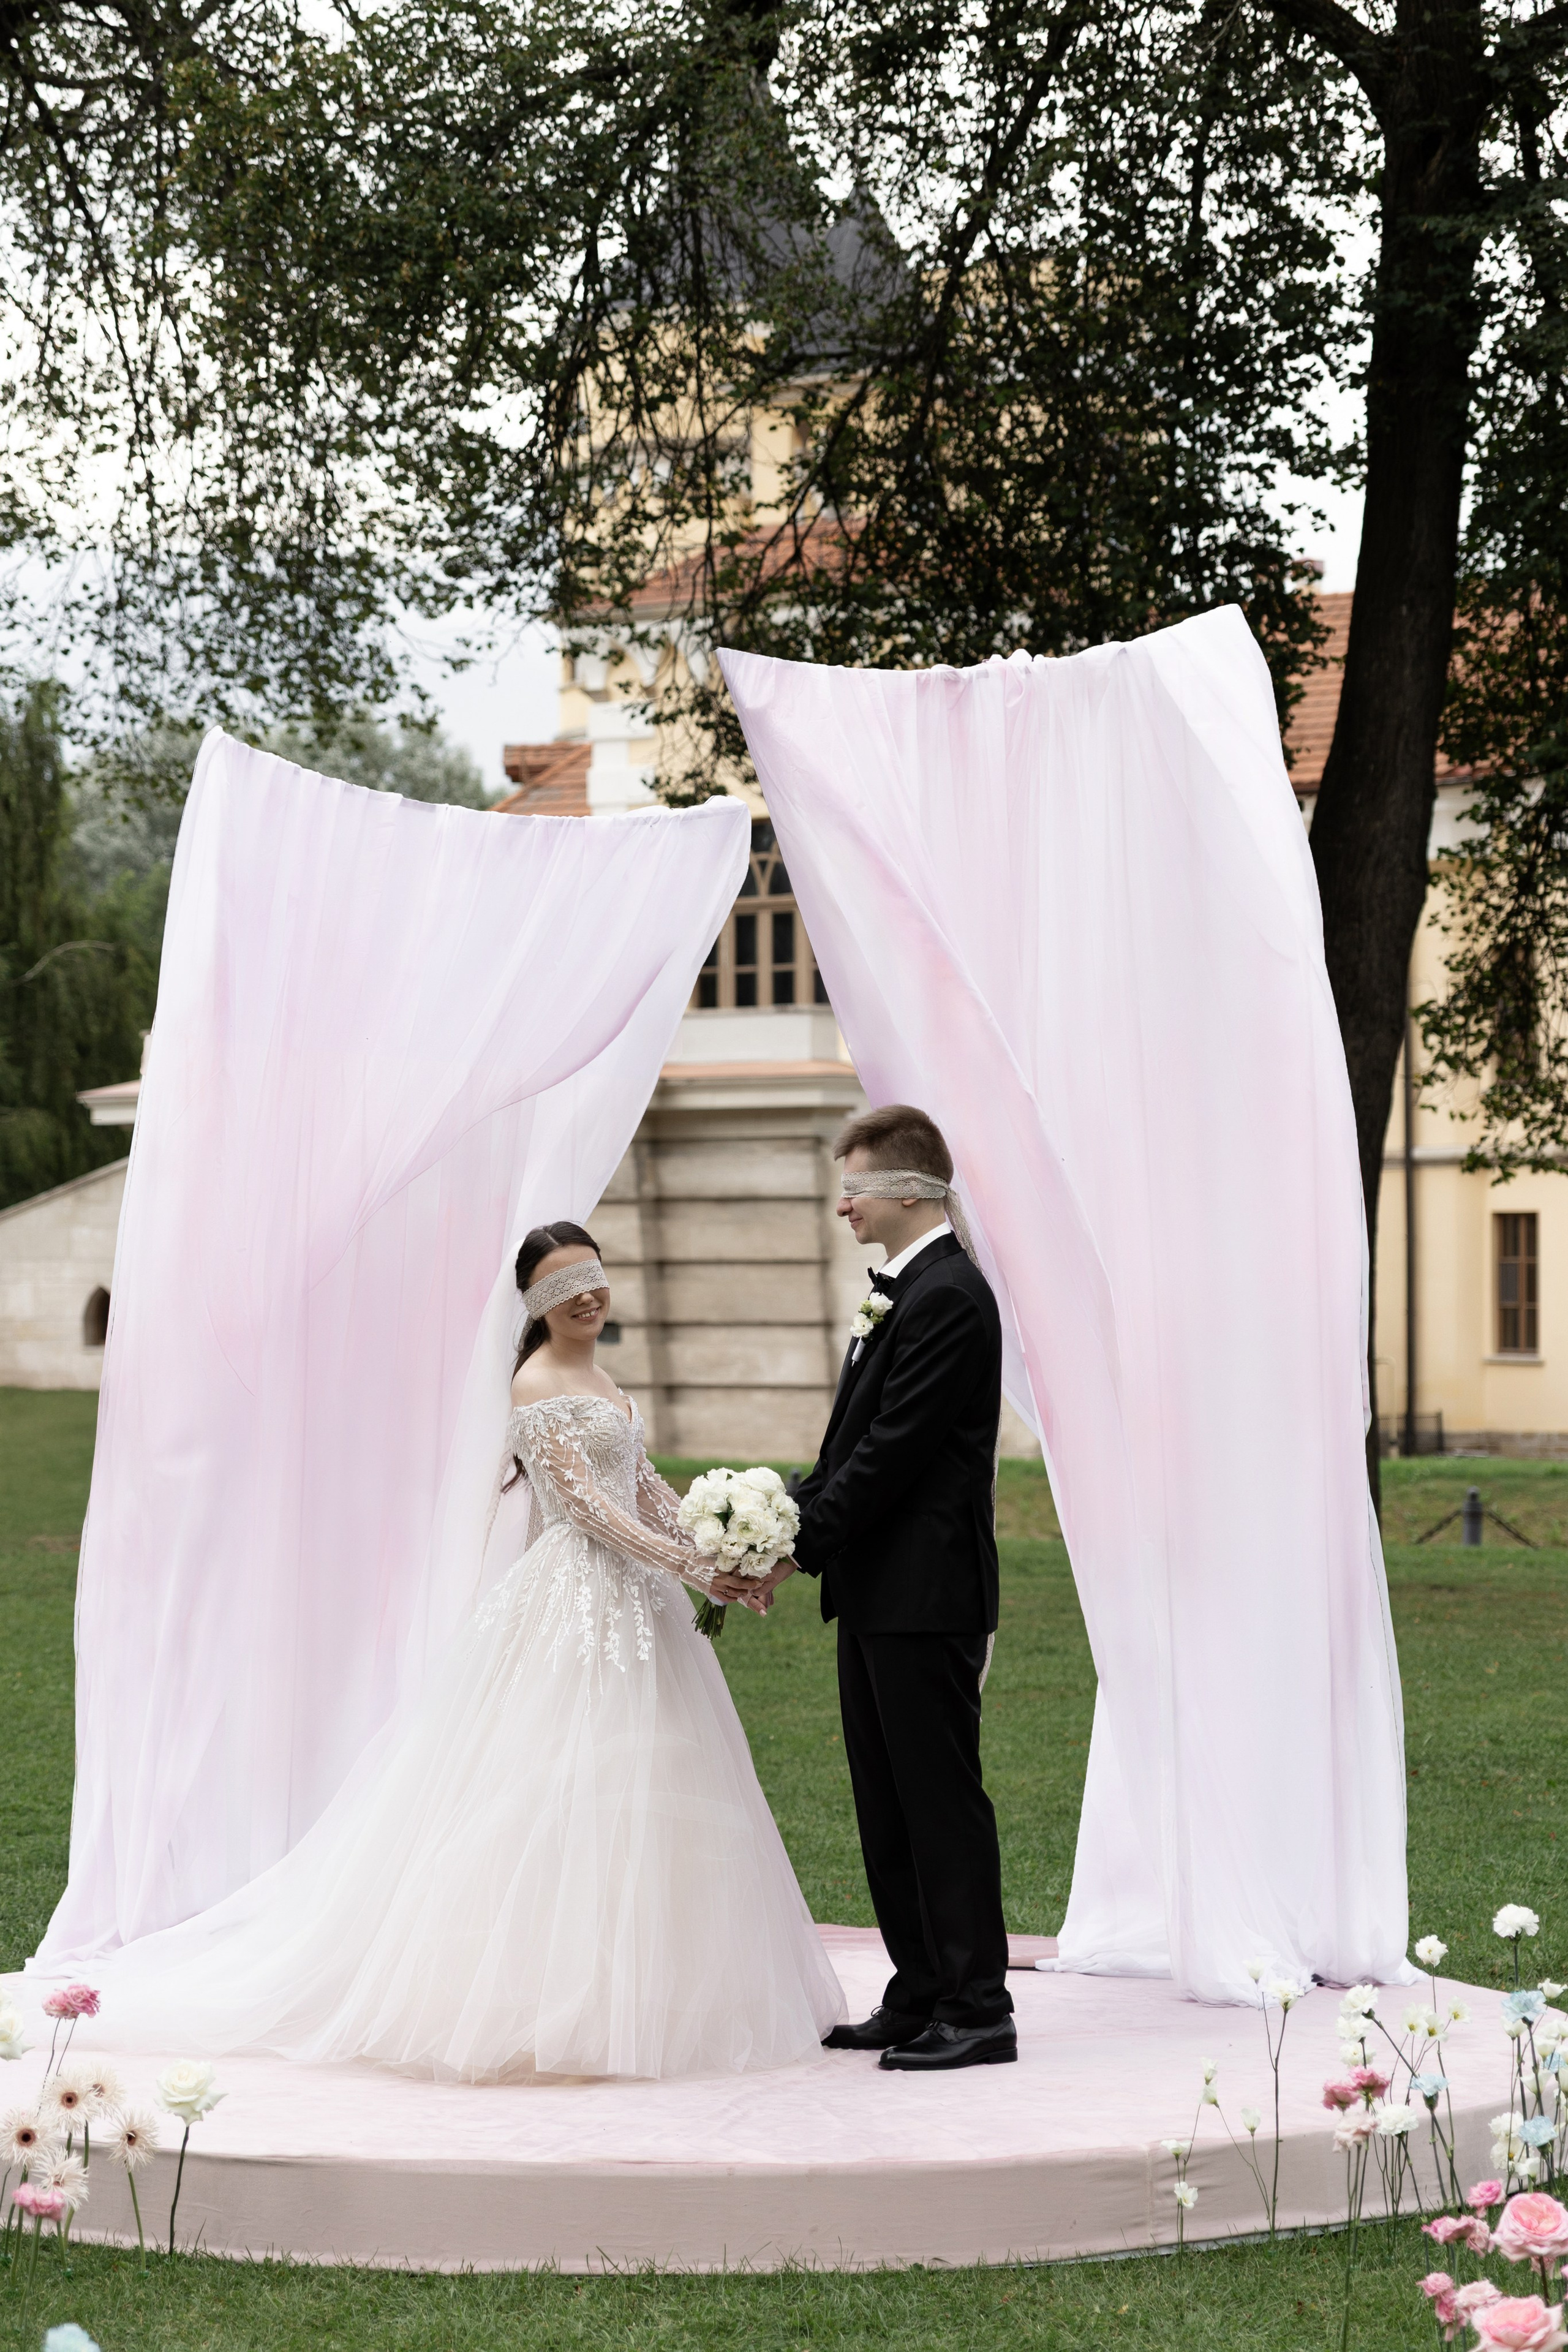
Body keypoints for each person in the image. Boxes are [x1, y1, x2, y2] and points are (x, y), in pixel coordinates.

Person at [50, 1224, 845, 2081]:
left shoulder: (605, 1377)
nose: (585, 1294)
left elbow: (644, 1487)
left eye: (592, 1276)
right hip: (575, 1598)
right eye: (562, 1285)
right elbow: (587, 1511)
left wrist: (731, 1551)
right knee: (555, 1785)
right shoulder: (536, 1384)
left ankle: (632, 1987)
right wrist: (695, 1568)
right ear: (535, 1304)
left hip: (640, 1601)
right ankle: (535, 1997)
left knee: (645, 1779)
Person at [746, 1106, 1014, 2072]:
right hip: (876, 1595)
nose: (843, 1206)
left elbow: (895, 1454)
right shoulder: (903, 1291)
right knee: (887, 1801)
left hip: (927, 1596)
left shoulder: (949, 1296)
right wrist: (778, 1522)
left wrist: (797, 1544)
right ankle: (921, 1990)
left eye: (852, 1187)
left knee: (938, 1801)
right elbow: (849, 1449)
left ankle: (979, 2007)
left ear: (911, 1192)